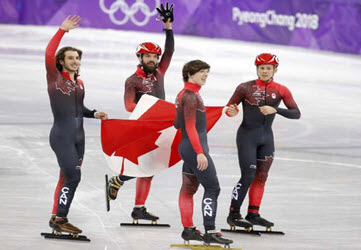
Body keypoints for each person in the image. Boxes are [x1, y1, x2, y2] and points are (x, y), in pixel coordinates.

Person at [107, 2, 175, 222]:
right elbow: (129, 106)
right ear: (140, 58)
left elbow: (170, 51)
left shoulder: (159, 73)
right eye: (148, 57)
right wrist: (149, 112)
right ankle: (118, 181)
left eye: (155, 57)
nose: (153, 60)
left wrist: (168, 28)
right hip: (142, 126)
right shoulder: (133, 80)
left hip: (160, 125)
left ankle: (139, 208)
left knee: (152, 166)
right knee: (144, 164)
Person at [46, 15, 108, 234]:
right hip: (62, 136)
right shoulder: (55, 78)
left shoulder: (79, 84)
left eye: (77, 58)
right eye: (70, 58)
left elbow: (78, 109)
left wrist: (94, 113)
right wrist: (62, 30)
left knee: (66, 176)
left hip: (78, 138)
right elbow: (48, 54)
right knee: (73, 176)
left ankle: (56, 216)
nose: (75, 61)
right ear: (62, 61)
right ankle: (61, 218)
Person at [225, 53, 301, 229]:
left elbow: (296, 113)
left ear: (275, 70)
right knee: (248, 175)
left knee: (262, 176)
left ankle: (253, 213)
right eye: (261, 68)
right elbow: (230, 108)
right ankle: (233, 213)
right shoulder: (244, 88)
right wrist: (231, 111)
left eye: (268, 68)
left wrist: (276, 110)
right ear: (257, 69)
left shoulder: (281, 90)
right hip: (247, 136)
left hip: (266, 138)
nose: (265, 71)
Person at [174, 60, 233, 245]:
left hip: (186, 147)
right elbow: (190, 126)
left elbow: (178, 124)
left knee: (188, 189)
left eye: (207, 72)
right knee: (213, 188)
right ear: (189, 74)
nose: (206, 75)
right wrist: (200, 152)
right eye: (201, 72)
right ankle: (210, 230)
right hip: (194, 148)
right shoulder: (191, 96)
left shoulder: (183, 94)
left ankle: (189, 230)